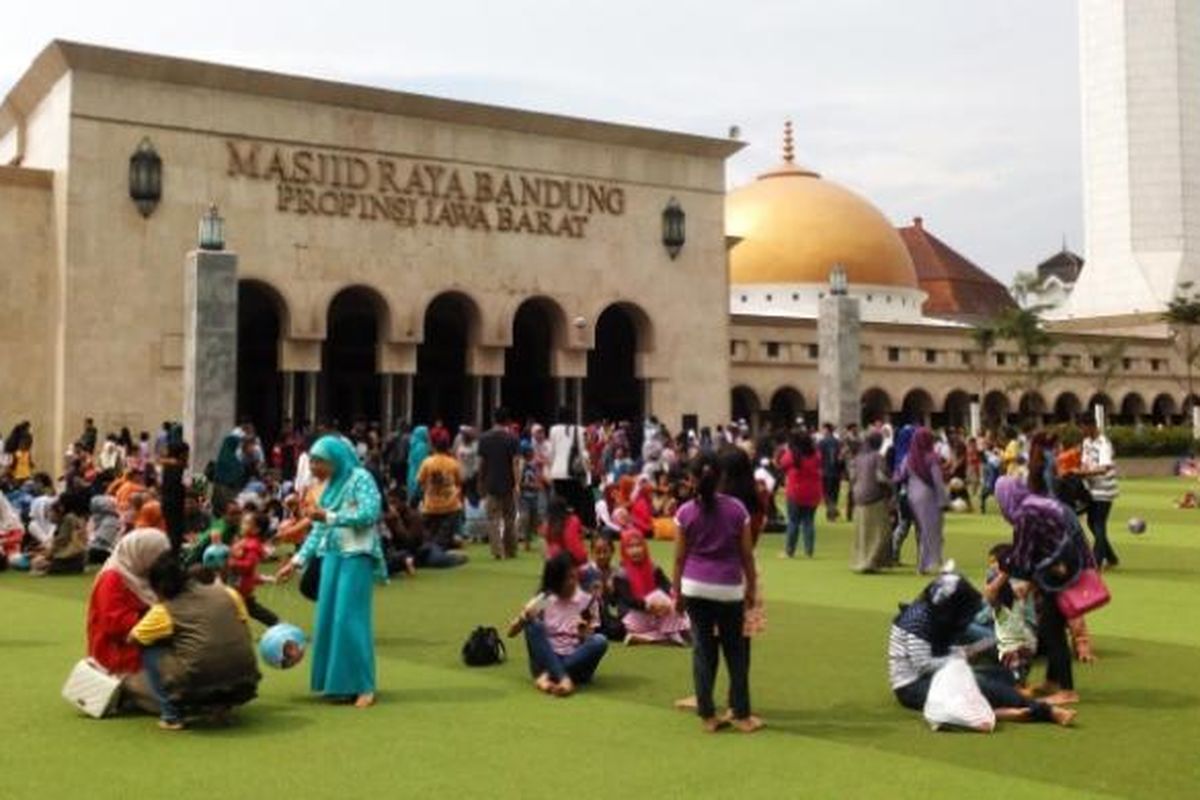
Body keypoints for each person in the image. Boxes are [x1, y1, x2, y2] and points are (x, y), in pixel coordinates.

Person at [278, 435, 385, 708]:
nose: (313, 467)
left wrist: (330, 516)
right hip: (332, 556)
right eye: (312, 461)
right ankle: (338, 684)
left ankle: (364, 685)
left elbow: (369, 514)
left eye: (318, 461)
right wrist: (297, 561)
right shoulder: (326, 487)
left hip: (356, 555)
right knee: (328, 619)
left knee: (349, 619)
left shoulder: (360, 478)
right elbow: (319, 530)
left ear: (336, 459)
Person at [887, 570, 1074, 726]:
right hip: (911, 686)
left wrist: (967, 652)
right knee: (980, 683)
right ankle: (1043, 711)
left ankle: (1003, 708)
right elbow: (923, 666)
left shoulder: (932, 615)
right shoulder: (917, 622)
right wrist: (961, 656)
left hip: (934, 674)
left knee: (999, 675)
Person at [673, 452, 761, 733]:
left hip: (694, 586)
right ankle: (742, 714)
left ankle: (708, 715)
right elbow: (746, 555)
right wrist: (752, 588)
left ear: (692, 479)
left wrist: (677, 593)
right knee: (735, 651)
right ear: (721, 477)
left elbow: (678, 558)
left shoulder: (684, 512)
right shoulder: (737, 509)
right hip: (728, 588)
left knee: (703, 649)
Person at [127, 551, 260, 730]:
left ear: (158, 587)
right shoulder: (227, 592)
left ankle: (171, 716)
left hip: (199, 685)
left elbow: (133, 639)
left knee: (150, 650)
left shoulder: (165, 609)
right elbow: (242, 625)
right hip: (246, 681)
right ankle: (221, 707)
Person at [995, 476, 1080, 704]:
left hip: (1059, 572)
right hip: (1063, 566)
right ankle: (1053, 681)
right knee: (1051, 626)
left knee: (1051, 629)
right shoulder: (1035, 505)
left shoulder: (1025, 515)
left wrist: (1006, 564)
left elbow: (1023, 555)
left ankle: (1067, 690)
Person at [507, 553, 609, 697]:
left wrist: (583, 632)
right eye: (567, 578)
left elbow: (589, 639)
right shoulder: (547, 599)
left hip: (577, 664)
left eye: (574, 576)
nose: (572, 582)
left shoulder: (588, 601)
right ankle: (563, 678)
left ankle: (550, 677)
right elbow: (510, 633)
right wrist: (524, 618)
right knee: (533, 626)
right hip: (546, 659)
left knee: (600, 641)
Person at [86, 529, 173, 684]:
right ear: (143, 553)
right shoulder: (112, 578)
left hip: (145, 639)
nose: (160, 563)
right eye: (157, 557)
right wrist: (156, 622)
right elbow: (114, 623)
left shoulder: (143, 575)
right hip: (118, 649)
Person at [615, 529, 689, 646]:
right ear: (624, 550)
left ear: (644, 547)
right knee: (659, 599)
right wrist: (649, 605)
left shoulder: (654, 568)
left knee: (672, 599)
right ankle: (672, 634)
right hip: (635, 618)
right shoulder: (620, 575)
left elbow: (667, 586)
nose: (635, 551)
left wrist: (667, 602)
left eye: (638, 545)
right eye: (630, 547)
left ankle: (646, 638)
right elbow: (629, 601)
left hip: (658, 613)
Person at [897, 428, 947, 574]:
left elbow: (901, 475)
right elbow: (937, 480)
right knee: (931, 530)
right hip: (928, 495)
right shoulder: (932, 457)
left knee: (918, 528)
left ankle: (929, 562)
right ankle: (928, 563)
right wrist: (943, 501)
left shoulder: (909, 458)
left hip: (912, 494)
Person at [477, 408, 521, 559]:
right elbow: (515, 463)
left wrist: (480, 481)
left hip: (491, 482)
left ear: (493, 419)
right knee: (510, 517)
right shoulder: (512, 439)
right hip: (508, 482)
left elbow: (482, 463)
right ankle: (511, 549)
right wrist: (517, 483)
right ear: (507, 421)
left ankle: (497, 550)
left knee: (493, 518)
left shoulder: (484, 438)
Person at [228, 512, 279, 627]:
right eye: (243, 522)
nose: (242, 525)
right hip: (235, 580)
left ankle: (276, 623)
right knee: (248, 607)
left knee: (247, 607)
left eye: (246, 523)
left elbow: (249, 566)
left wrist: (232, 563)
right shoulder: (244, 540)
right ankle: (275, 622)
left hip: (241, 584)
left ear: (256, 530)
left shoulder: (253, 545)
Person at [776, 430, 821, 558]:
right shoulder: (816, 454)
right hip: (813, 491)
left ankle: (789, 551)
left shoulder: (792, 455)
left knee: (793, 521)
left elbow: (781, 465)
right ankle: (809, 551)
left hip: (796, 491)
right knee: (809, 521)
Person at [851, 431, 892, 573]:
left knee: (862, 533)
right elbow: (882, 477)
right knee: (881, 532)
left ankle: (860, 559)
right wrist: (891, 488)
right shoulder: (877, 457)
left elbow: (852, 477)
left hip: (858, 496)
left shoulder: (858, 458)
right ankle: (871, 561)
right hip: (874, 496)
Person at [415, 428, 463, 549]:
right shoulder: (453, 463)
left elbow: (420, 481)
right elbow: (459, 483)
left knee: (428, 538)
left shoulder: (427, 462)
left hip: (431, 506)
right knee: (443, 541)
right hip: (450, 506)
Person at [1080, 422, 1119, 569]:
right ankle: (1111, 557)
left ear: (1092, 426)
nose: (1082, 430)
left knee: (1098, 523)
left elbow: (1104, 468)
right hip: (1091, 489)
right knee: (1092, 522)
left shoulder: (1104, 444)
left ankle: (1097, 559)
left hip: (1104, 489)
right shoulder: (1086, 442)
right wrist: (1082, 471)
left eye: (1083, 427)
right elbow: (1085, 462)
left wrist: (1083, 473)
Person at [547, 407, 593, 528]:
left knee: (560, 505)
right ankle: (574, 529)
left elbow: (551, 453)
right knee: (577, 505)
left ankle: (560, 529)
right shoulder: (581, 430)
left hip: (558, 472)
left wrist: (549, 470)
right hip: (575, 473)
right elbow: (584, 453)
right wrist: (587, 474)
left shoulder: (553, 430)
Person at [542, 495, 587, 568]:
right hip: (575, 560)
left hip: (557, 561)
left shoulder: (549, 525)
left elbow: (546, 547)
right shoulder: (573, 520)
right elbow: (574, 545)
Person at [817, 424, 842, 521]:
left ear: (827, 430)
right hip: (836, 472)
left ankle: (832, 510)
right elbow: (841, 458)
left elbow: (818, 458)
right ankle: (832, 514)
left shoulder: (821, 443)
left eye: (823, 430)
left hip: (825, 471)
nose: (822, 432)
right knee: (835, 493)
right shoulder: (838, 442)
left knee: (826, 493)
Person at [405, 425, 431, 505]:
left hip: (412, 472)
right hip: (419, 472)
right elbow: (423, 463)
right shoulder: (422, 446)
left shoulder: (414, 443)